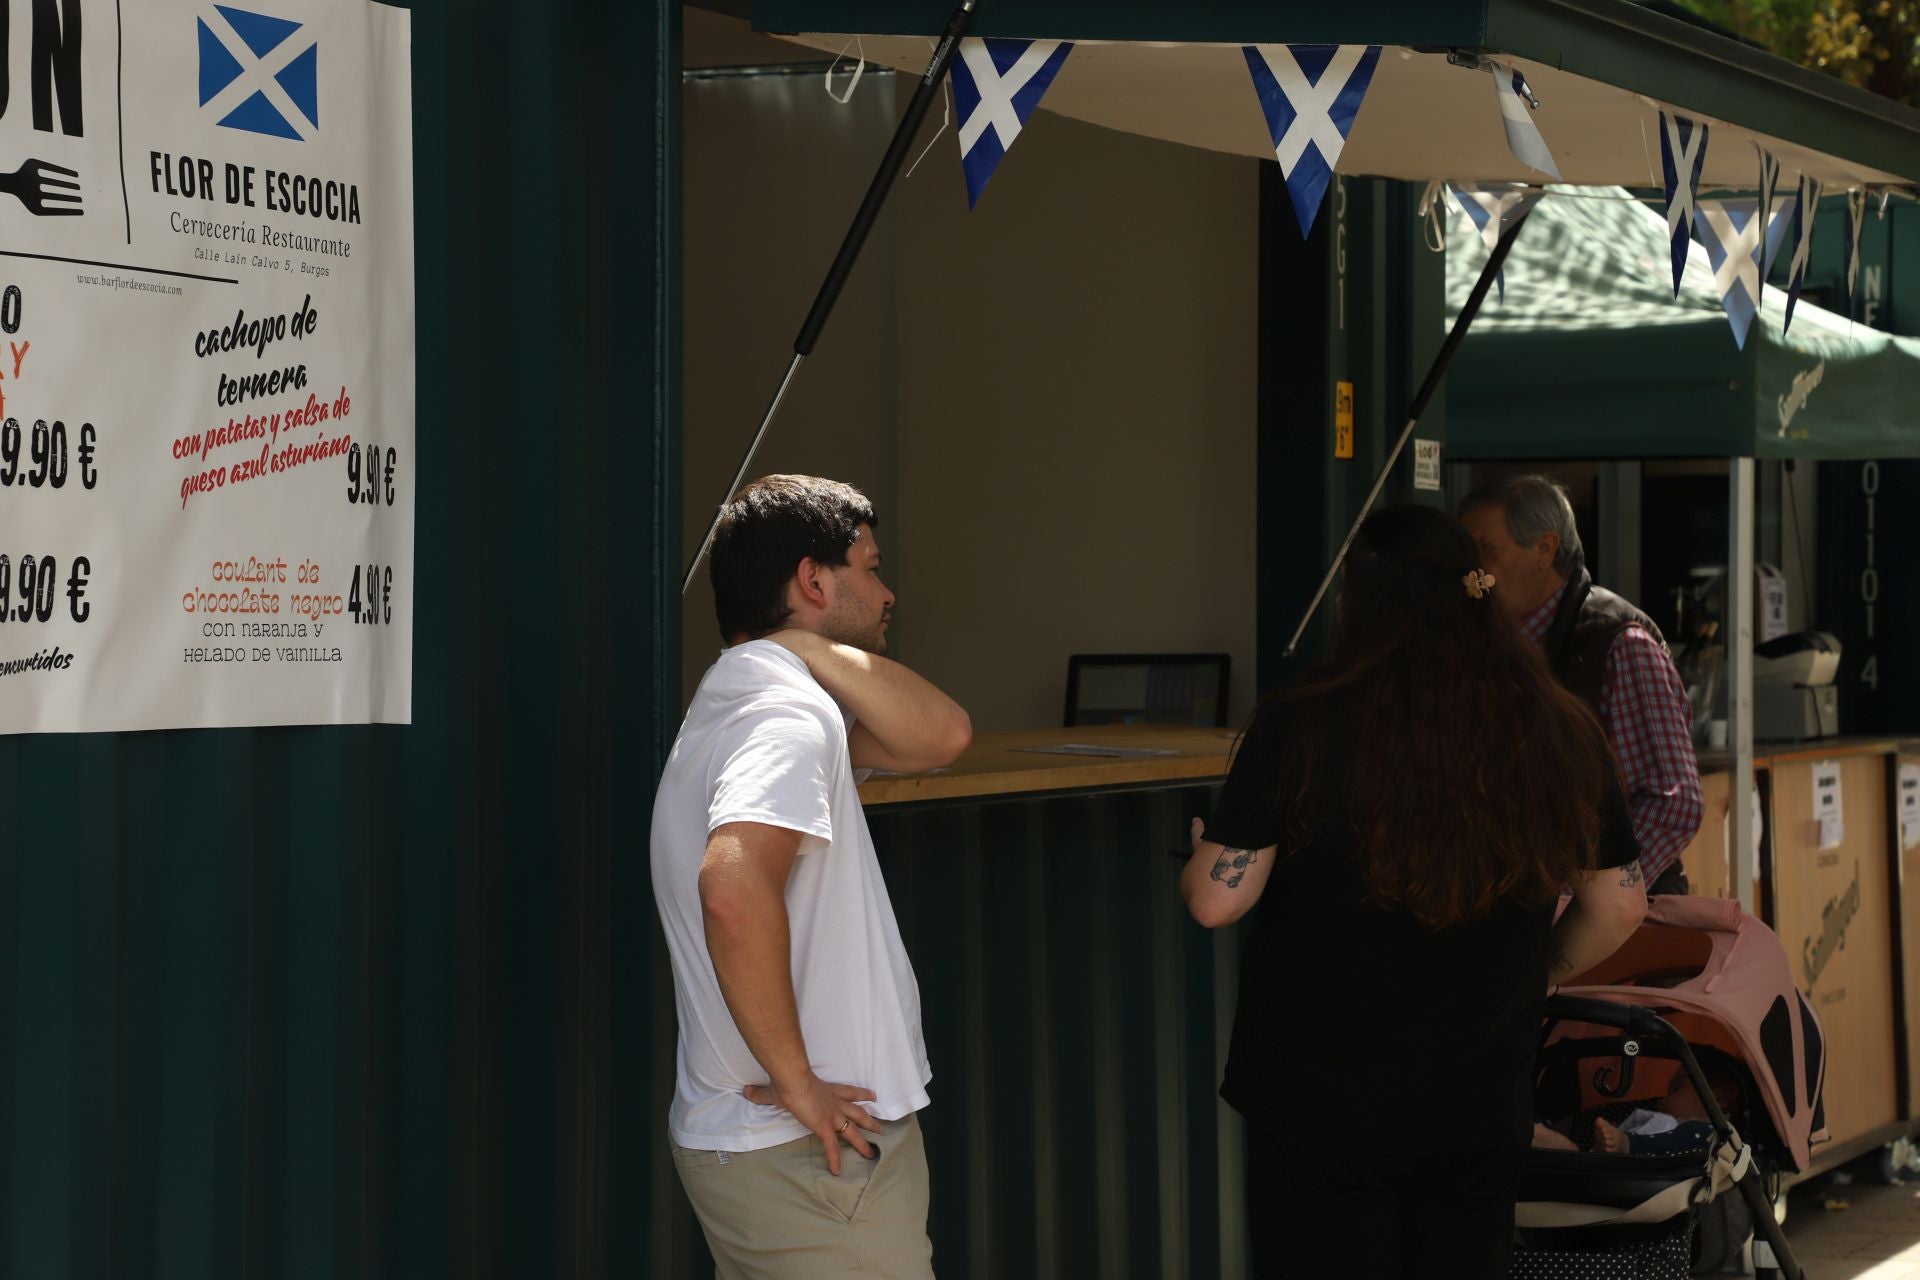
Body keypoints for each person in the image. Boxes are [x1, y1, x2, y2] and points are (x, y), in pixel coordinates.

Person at [1181, 504, 1648, 1279]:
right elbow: (1622, 903)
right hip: (1479, 1098)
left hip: (1319, 1104)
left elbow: (1216, 899)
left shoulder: (1300, 724)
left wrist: (1203, 853)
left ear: (1356, 604)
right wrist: (1540, 974)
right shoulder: (1558, 728)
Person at [650, 475, 972, 1279]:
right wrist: (797, 1083)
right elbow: (731, 888)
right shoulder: (781, 719)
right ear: (814, 580)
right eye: (870, 566)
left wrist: (803, 647)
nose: (887, 591)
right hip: (810, 1160)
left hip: (782, 1160)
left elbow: (941, 736)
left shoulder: (758, 695)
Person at [1459, 475, 1704, 895]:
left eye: (1486, 551)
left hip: (1613, 928)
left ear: (1544, 549)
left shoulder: (1619, 643)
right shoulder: (1479, 644)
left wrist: (1586, 899)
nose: (1472, 575)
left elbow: (1673, 803)